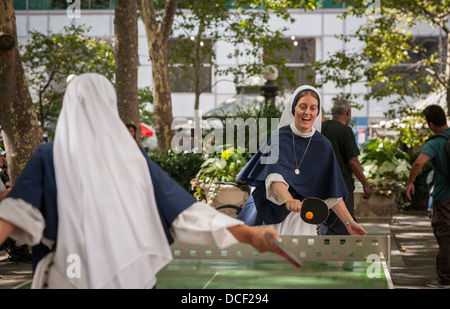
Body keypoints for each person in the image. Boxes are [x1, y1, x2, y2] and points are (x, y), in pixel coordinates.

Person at [0, 73, 279, 289]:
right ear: (111, 106)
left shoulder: (49, 156)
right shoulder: (132, 158)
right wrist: (249, 234)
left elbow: (15, 214)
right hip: (132, 277)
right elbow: (187, 214)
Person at [236, 85, 367, 236]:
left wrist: (349, 223)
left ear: (317, 112)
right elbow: (274, 178)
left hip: (302, 220)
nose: (307, 112)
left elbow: (332, 191)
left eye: (313, 108)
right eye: (302, 107)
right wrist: (288, 200)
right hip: (269, 216)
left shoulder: (323, 145)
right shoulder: (279, 138)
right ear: (294, 109)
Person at [406, 104, 450, 289]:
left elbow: (419, 163)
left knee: (445, 237)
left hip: (444, 198)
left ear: (431, 124)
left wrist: (410, 182)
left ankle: (445, 279)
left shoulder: (435, 142)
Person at [320, 99, 372, 235]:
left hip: (322, 186)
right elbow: (353, 161)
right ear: (348, 113)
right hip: (342, 187)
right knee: (340, 228)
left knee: (327, 225)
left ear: (332, 112)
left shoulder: (321, 128)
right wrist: (365, 185)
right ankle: (336, 255)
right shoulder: (345, 131)